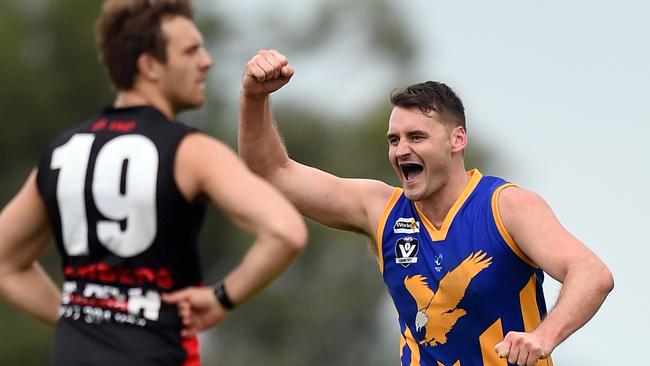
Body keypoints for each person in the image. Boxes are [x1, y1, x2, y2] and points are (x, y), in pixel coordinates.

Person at [219, 49, 610, 366]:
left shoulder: (507, 207)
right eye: (394, 139)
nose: (401, 150)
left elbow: (591, 273)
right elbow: (271, 171)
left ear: (456, 140)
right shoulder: (381, 211)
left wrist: (543, 337)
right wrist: (254, 97)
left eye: (416, 137)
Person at [0, 3, 307, 365]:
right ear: (149, 66)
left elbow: (6, 261)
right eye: (191, 50)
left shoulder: (62, 151)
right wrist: (221, 298)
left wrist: (80, 319)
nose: (206, 61)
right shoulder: (192, 152)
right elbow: (286, 232)